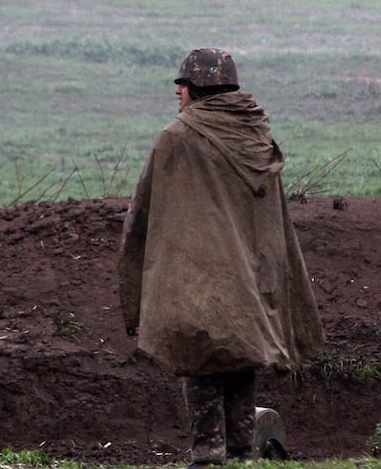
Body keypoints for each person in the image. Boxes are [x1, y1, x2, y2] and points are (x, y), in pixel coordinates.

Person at [117, 48, 323, 468]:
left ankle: (208, 455)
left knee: (200, 362)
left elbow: (143, 215)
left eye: (183, 83)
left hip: (197, 276)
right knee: (241, 357)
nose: (177, 90)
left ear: (199, 88)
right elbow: (272, 220)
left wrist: (135, 277)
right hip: (250, 277)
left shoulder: (177, 138)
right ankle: (242, 452)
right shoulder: (257, 138)